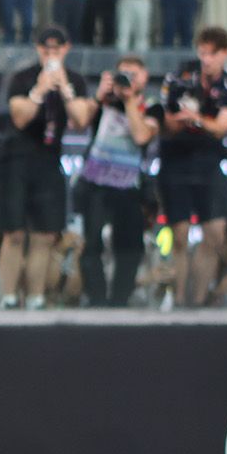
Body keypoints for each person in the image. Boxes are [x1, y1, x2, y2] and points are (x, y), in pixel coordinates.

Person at [1, 26, 94, 309]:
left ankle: (36, 296)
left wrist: (64, 88)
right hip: (17, 159)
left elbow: (81, 120)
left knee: (44, 235)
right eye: (46, 49)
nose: (51, 54)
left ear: (66, 49)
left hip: (49, 160)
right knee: (14, 233)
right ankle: (8, 296)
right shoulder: (23, 77)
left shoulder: (75, 80)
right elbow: (19, 118)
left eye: (57, 49)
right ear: (38, 49)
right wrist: (40, 89)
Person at [155, 26, 227, 308]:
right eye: (202, 53)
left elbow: (222, 127)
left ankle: (199, 299)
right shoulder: (178, 77)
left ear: (225, 53)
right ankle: (180, 299)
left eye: (212, 54)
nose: (206, 59)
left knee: (215, 232)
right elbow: (166, 122)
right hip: (176, 160)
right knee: (179, 234)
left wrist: (197, 119)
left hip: (209, 161)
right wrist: (184, 120)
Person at [78, 54, 157, 308]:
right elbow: (79, 122)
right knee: (91, 244)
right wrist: (99, 96)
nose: (128, 79)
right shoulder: (104, 101)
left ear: (144, 78)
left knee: (130, 246)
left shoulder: (152, 106)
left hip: (129, 187)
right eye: (124, 74)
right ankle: (96, 298)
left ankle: (120, 299)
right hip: (96, 184)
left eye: (134, 75)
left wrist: (130, 100)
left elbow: (142, 135)